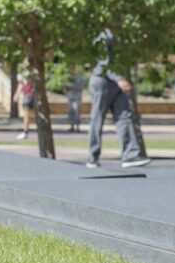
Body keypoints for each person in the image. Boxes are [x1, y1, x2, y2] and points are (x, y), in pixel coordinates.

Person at [87, 29, 151, 169]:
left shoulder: (121, 29)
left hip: (114, 82)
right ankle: (92, 157)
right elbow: (104, 61)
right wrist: (119, 78)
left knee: (124, 116)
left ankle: (130, 155)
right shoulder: (101, 33)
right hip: (102, 80)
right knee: (97, 118)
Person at [64, 68, 86, 132]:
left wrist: (71, 86)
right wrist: (66, 89)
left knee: (77, 112)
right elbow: (65, 88)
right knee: (70, 112)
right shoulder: (68, 78)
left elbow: (81, 87)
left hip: (77, 97)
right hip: (70, 97)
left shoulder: (80, 78)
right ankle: (71, 126)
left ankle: (77, 127)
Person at [16, 74, 35, 140]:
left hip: (28, 95)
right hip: (29, 95)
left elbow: (21, 85)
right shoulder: (29, 73)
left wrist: (17, 95)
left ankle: (25, 132)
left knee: (26, 116)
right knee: (28, 115)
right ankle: (26, 132)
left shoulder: (26, 73)